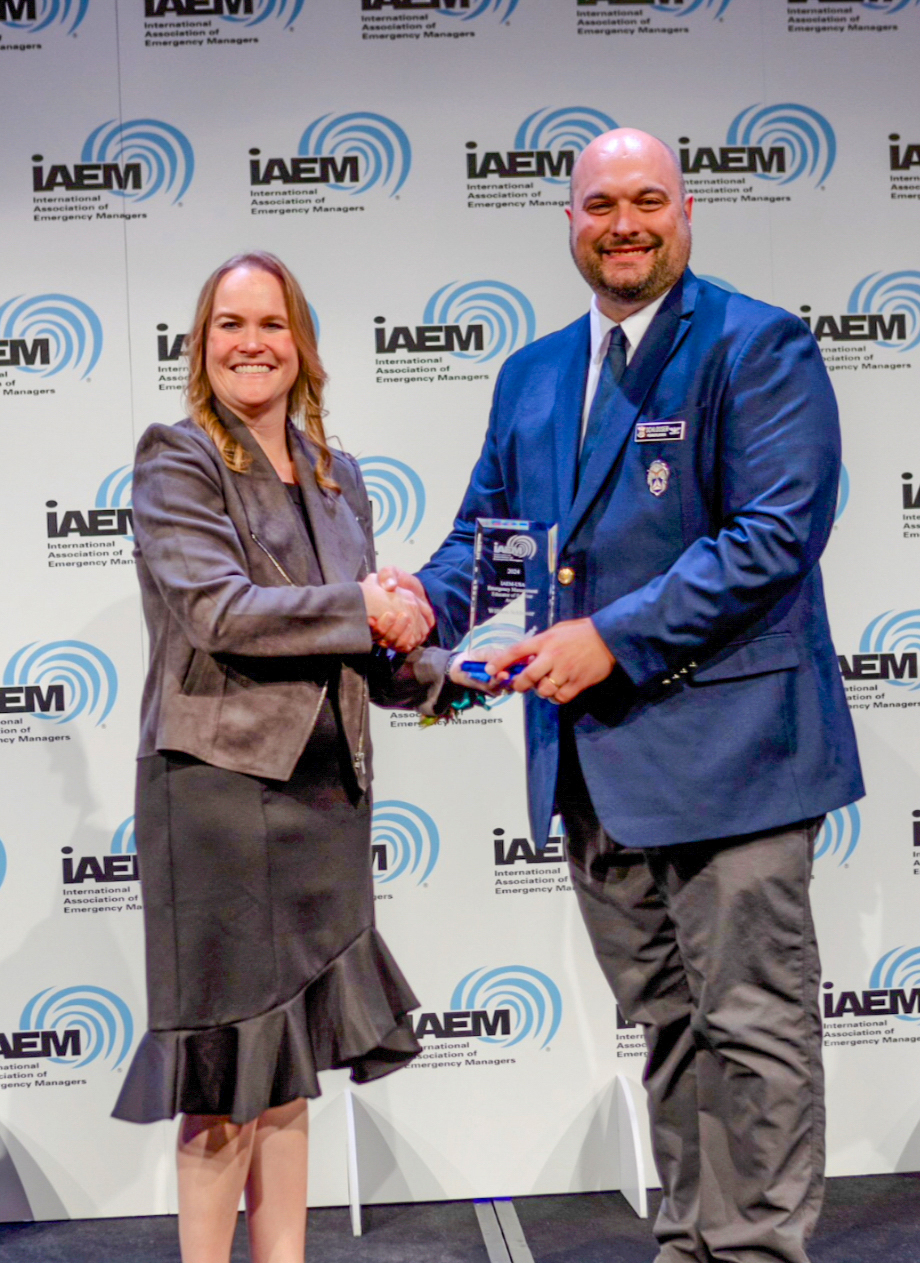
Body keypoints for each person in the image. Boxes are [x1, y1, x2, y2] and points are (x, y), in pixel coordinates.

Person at [393, 130, 864, 1263]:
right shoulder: (534, 372)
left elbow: (769, 541)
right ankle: (690, 1241)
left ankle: (749, 1251)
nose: (623, 223)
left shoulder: (757, 347)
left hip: (735, 755)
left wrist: (607, 637)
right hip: (591, 761)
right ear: (568, 220)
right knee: (667, 1025)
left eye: (646, 200)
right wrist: (419, 606)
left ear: (686, 211)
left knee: (749, 1025)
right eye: (600, 203)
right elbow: (494, 548)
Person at [112, 251, 478, 1263]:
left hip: (324, 808)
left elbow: (352, 647)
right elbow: (220, 612)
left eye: (270, 324)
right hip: (220, 801)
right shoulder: (176, 460)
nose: (250, 344)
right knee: (225, 1094)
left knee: (285, 1088)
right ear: (202, 344)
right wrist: (367, 607)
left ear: (302, 345)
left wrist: (462, 669)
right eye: (229, 324)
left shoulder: (335, 476)